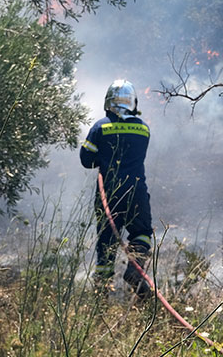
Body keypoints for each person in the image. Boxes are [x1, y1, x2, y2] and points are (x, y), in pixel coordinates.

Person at [80, 79, 154, 298]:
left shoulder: (100, 127)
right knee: (142, 233)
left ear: (108, 102)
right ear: (133, 103)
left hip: (109, 193)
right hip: (136, 192)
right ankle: (135, 270)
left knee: (106, 241)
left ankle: (102, 292)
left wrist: (103, 158)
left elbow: (86, 160)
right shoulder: (143, 129)